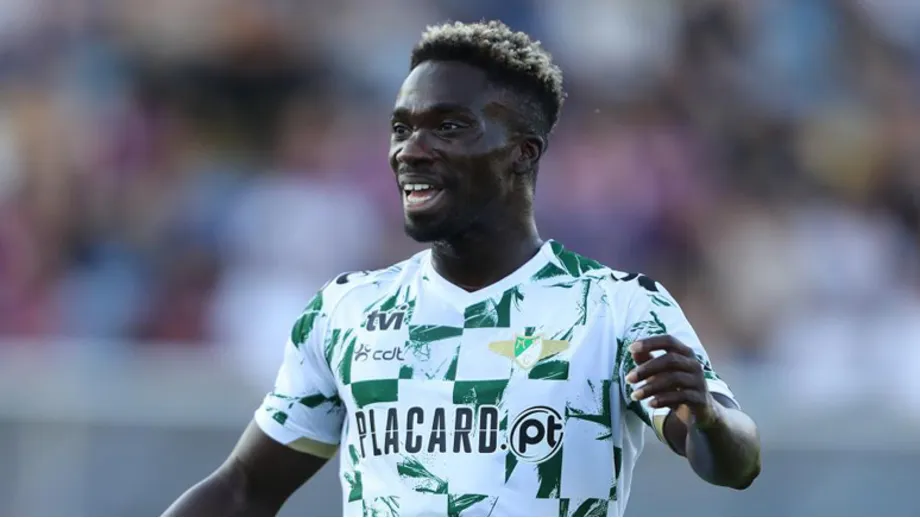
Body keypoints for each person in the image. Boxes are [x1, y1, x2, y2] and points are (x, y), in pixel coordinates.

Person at [163, 20, 761, 517]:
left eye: (448, 126)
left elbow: (736, 465)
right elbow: (244, 489)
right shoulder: (348, 313)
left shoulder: (614, 308)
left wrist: (708, 418)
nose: (411, 149)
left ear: (522, 152)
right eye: (402, 128)